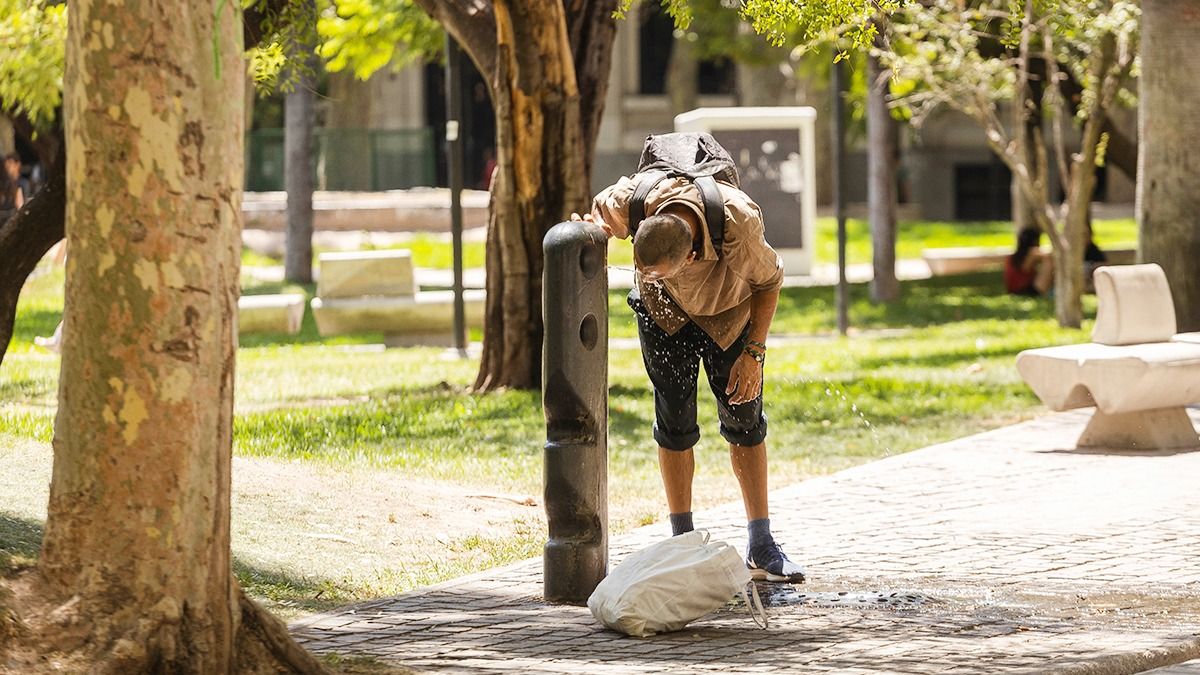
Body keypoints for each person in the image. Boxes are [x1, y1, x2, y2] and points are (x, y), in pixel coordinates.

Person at [572, 170, 806, 584]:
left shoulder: (737, 221)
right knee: (674, 423)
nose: (646, 278)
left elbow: (770, 280)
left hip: (729, 315)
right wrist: (595, 227)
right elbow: (599, 209)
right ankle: (682, 542)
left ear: (692, 258)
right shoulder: (635, 199)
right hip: (663, 316)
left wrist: (753, 352)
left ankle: (762, 544)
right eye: (642, 271)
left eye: (656, 273)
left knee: (744, 422)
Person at [1005, 226, 1053, 296]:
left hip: (1014, 290)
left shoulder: (1014, 256)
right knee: (1049, 262)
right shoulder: (1032, 253)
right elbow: (1049, 255)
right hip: (1026, 291)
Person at [0, 154, 24, 222]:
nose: (8, 166)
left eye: (10, 163)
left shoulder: (21, 185)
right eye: (6, 163)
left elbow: (20, 208)